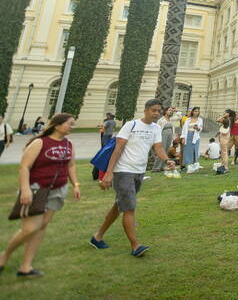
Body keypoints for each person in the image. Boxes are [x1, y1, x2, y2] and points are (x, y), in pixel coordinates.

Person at [90, 99, 175, 257]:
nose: (156, 113)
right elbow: (118, 149)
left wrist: (167, 160)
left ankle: (97, 236)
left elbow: (158, 148)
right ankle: (135, 246)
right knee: (129, 207)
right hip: (123, 171)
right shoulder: (131, 125)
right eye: (153, 110)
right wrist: (109, 173)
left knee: (119, 205)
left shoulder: (156, 128)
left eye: (159, 111)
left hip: (139, 172)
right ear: (146, 110)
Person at [0, 113, 80, 278]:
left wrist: (76, 184)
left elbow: (71, 165)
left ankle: (26, 267)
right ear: (57, 125)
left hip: (58, 190)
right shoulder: (39, 142)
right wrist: (25, 189)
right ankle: (3, 256)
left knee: (41, 227)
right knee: (30, 229)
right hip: (36, 188)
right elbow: (24, 167)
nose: (72, 127)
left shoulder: (69, 144)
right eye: (69, 124)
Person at [152, 108, 175, 172]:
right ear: (165, 111)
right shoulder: (161, 120)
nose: (170, 112)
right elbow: (157, 129)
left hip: (170, 134)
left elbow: (179, 116)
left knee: (166, 150)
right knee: (162, 150)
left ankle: (162, 166)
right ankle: (156, 167)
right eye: (169, 110)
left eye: (171, 111)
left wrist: (175, 111)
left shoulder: (171, 119)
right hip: (163, 134)